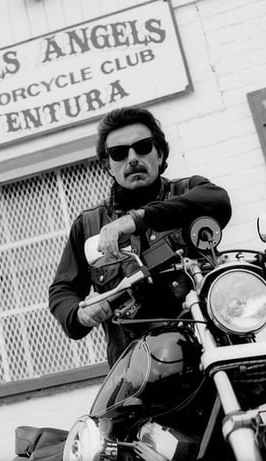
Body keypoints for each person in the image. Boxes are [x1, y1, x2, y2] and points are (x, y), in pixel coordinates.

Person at [48, 106, 232, 367]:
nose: (132, 158)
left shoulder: (189, 191)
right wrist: (80, 314)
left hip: (207, 348)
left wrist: (135, 220)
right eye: (119, 153)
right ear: (108, 165)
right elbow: (62, 289)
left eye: (143, 146)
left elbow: (218, 201)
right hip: (134, 368)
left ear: (160, 154)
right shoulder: (89, 224)